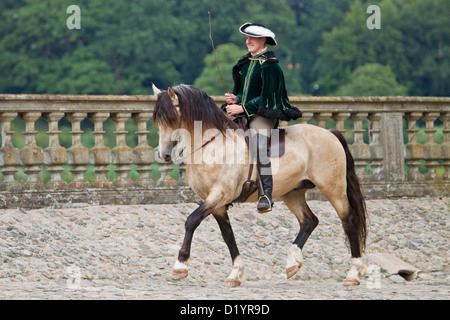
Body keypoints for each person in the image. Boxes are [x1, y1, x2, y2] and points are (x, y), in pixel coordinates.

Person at [225, 22, 302, 213]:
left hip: (265, 113)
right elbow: (247, 93)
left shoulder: (270, 67)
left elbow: (267, 97)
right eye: (247, 38)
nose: (248, 41)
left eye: (252, 38)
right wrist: (237, 98)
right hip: (246, 109)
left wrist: (241, 107)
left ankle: (266, 194)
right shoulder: (247, 62)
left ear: (263, 40)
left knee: (259, 145)